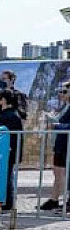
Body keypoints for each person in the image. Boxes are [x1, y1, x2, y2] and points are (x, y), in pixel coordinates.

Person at [0, 89, 23, 211]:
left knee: (7, 176)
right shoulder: (0, 113)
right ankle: (1, 201)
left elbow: (11, 135)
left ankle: (7, 203)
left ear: (3, 100)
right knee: (3, 176)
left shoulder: (11, 116)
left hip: (7, 151)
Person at [40, 81, 70, 212]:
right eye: (60, 91)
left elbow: (65, 125)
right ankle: (54, 199)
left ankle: (66, 201)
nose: (61, 94)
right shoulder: (65, 106)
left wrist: (57, 125)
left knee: (63, 173)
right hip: (59, 143)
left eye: (64, 91)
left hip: (66, 143)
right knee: (57, 172)